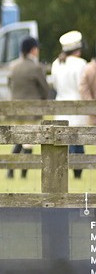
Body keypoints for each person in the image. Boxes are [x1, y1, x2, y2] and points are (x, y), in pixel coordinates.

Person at [7, 36, 54, 178]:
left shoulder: (13, 66)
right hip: (32, 111)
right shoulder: (36, 67)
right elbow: (45, 89)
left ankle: (10, 170)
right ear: (33, 50)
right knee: (29, 142)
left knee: (19, 139)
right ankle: (23, 174)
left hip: (16, 110)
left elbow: (9, 85)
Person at [51, 30, 87, 180]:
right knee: (78, 141)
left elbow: (54, 85)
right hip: (77, 106)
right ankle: (77, 174)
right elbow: (81, 85)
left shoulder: (56, 63)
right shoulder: (80, 64)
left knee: (65, 141)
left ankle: (67, 173)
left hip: (61, 105)